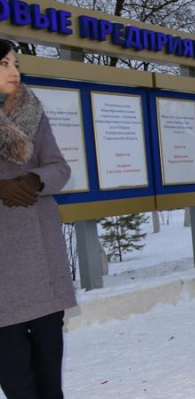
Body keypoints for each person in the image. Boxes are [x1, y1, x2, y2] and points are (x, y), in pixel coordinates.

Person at [0, 39, 77, 399]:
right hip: (3, 277)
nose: (14, 72)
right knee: (17, 381)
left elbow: (59, 167)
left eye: (15, 63)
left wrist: (35, 179)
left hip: (42, 263)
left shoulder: (33, 112)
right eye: (4, 64)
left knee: (50, 379)